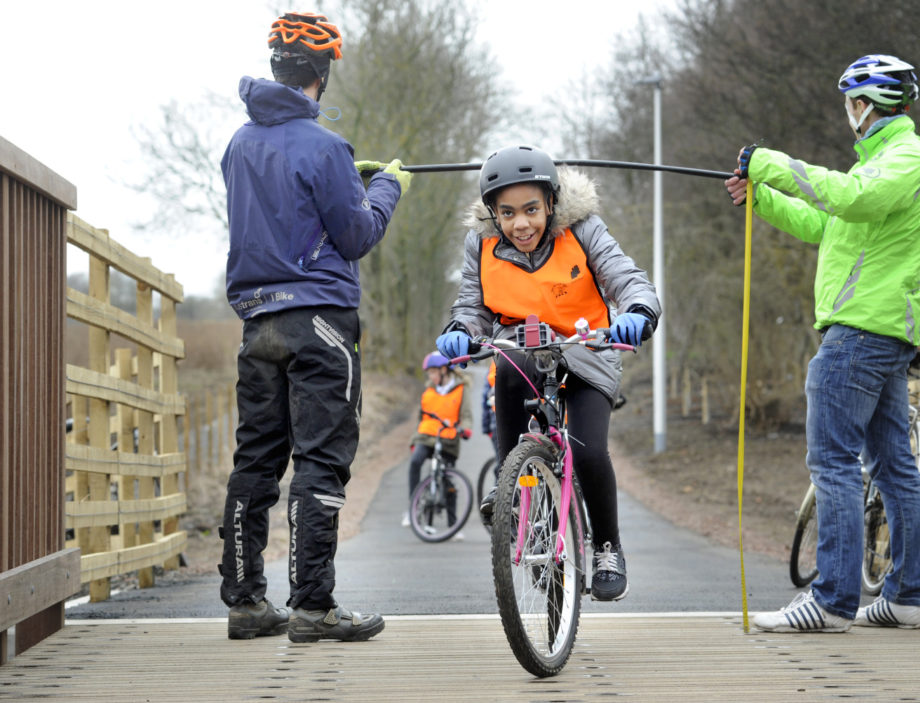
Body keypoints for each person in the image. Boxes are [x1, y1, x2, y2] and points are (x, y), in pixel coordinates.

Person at [725, 54, 920, 632]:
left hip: (860, 334)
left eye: (851, 102)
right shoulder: (880, 164)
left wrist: (770, 163)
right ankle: (911, 597)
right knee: (894, 465)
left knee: (833, 463)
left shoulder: (903, 158)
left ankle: (832, 601)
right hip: (879, 333)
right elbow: (829, 225)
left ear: (865, 105)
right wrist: (762, 196)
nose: (848, 113)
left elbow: (845, 199)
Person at [217, 11, 412, 643]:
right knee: (321, 463)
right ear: (320, 76)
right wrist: (385, 189)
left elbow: (282, 210)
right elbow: (356, 235)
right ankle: (313, 606)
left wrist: (346, 186)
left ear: (276, 68)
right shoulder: (326, 148)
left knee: (256, 461)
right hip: (322, 323)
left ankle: (246, 603)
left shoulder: (239, 145)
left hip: (257, 323)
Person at [435, 145, 661, 601]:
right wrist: (460, 331)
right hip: (521, 347)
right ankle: (509, 487)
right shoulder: (479, 244)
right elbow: (472, 307)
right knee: (509, 364)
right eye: (508, 213)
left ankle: (607, 547)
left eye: (532, 210)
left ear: (551, 204)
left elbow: (627, 278)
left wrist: (638, 311)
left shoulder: (583, 230)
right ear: (493, 215)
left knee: (589, 449)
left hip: (586, 350)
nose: (521, 224)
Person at [403, 352, 471, 535]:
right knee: (415, 462)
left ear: (443, 370)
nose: (431, 376)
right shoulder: (428, 390)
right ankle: (413, 509)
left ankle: (453, 525)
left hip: (448, 437)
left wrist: (465, 429)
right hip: (425, 436)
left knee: (448, 478)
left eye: (433, 372)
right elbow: (421, 417)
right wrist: (415, 438)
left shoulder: (460, 389)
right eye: (429, 373)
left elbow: (466, 415)